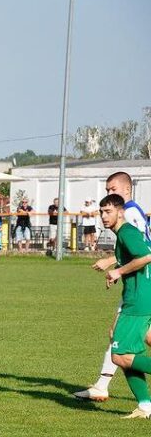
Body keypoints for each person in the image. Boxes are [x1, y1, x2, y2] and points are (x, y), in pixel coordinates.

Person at [74, 172, 149, 402]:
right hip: (138, 285)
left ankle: (102, 385)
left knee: (119, 341)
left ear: (126, 190)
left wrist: (116, 267)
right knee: (139, 336)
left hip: (140, 287)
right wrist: (113, 261)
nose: (109, 194)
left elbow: (144, 250)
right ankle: (143, 403)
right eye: (106, 191)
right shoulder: (127, 217)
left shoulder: (130, 213)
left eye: (112, 189)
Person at [93, 194, 151, 418]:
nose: (104, 216)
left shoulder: (127, 232)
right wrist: (118, 269)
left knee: (120, 355)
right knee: (130, 350)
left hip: (138, 299)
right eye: (101, 212)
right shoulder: (124, 235)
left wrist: (118, 271)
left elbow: (146, 256)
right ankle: (145, 405)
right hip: (140, 295)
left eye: (108, 212)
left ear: (120, 211)